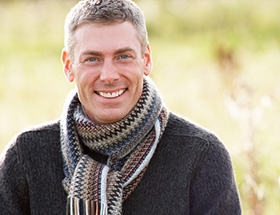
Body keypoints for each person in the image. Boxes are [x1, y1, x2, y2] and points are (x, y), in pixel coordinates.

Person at [0, 0, 242, 214]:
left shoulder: (201, 155)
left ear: (146, 60)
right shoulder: (26, 157)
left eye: (123, 56)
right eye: (92, 59)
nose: (108, 75)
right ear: (68, 66)